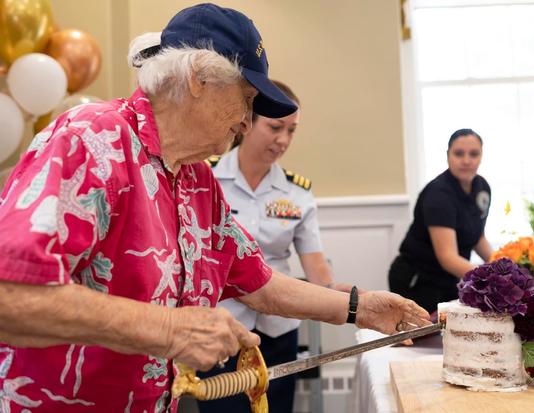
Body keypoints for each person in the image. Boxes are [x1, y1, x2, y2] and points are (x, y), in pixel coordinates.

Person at [0, 4, 430, 412]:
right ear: (198, 79)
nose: (248, 121)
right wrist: (168, 328)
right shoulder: (92, 139)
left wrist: (361, 306)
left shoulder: (196, 179)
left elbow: (257, 282)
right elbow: (10, 296)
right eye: (246, 100)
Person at [198, 80, 348, 413]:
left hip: (278, 331)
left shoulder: (297, 192)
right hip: (222, 328)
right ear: (247, 121)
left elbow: (317, 269)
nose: (283, 140)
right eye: (275, 127)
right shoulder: (204, 177)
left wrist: (355, 301)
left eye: (292, 131)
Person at [388, 128, 493, 314]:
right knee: (424, 340)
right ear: (448, 155)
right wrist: (490, 279)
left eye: (474, 154)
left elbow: (477, 237)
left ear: (482, 156)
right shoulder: (438, 194)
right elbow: (447, 258)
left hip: (448, 280)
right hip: (418, 280)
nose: (466, 160)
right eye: (459, 153)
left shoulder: (482, 188)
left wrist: (504, 267)